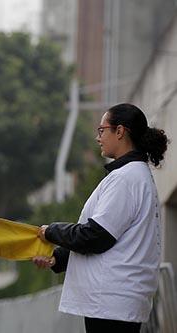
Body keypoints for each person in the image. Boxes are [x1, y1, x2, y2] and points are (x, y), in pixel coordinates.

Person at [33, 103, 169, 333]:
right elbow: (107, 232)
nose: (98, 138)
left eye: (101, 130)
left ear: (120, 131)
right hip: (115, 302)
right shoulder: (132, 175)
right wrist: (57, 259)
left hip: (112, 302)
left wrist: (51, 231)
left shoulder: (127, 178)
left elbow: (95, 237)